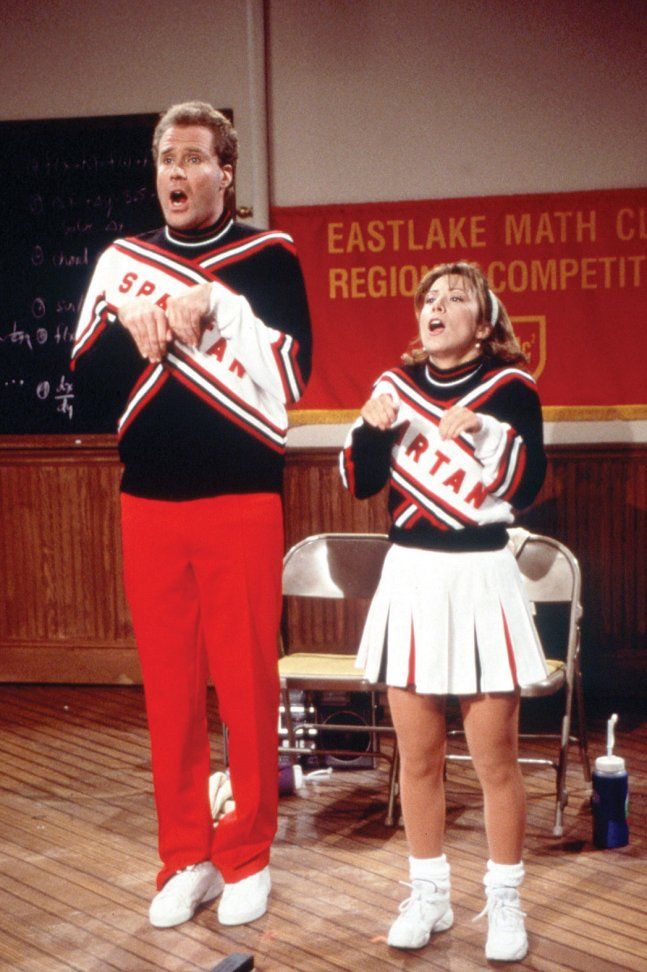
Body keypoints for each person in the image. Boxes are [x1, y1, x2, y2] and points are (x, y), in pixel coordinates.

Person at [71, 101, 312, 929]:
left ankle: (246, 853)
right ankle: (185, 856)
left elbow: (293, 373)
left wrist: (221, 309)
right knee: (169, 691)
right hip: (148, 505)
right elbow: (87, 392)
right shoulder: (120, 264)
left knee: (246, 684)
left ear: (226, 172)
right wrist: (123, 328)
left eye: (192, 158)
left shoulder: (268, 257)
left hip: (241, 500)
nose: (175, 173)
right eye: (165, 158)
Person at [339, 261, 547, 962]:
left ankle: (504, 902)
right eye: (429, 298)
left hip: (481, 576)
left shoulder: (511, 389)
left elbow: (529, 484)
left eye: (455, 298)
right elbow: (360, 482)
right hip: (412, 578)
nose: (436, 306)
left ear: (482, 324)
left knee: (494, 759)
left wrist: (484, 432)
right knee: (418, 757)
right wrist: (369, 431)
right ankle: (428, 894)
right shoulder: (390, 388)